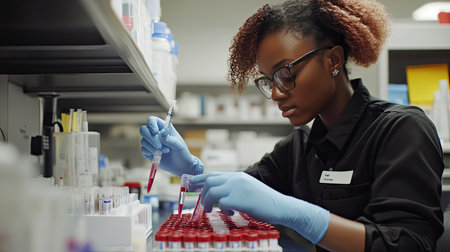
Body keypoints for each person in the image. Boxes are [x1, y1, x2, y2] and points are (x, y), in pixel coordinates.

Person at [140, 0, 444, 251]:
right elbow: (238, 193)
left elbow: (409, 244)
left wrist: (301, 216)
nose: (275, 93)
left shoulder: (401, 130)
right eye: (268, 80)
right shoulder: (299, 148)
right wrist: (190, 170)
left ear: (333, 60)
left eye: (285, 73)